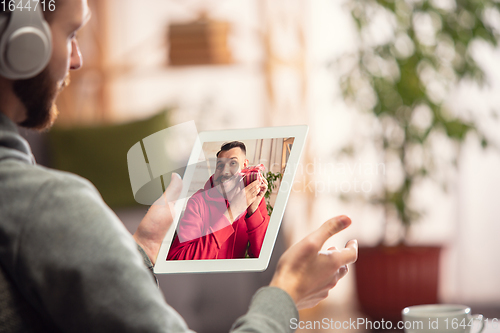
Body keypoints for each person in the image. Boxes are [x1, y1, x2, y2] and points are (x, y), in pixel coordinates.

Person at [0, 1, 358, 332]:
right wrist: (287, 294)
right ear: (22, 41)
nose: (77, 59)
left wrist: (144, 248)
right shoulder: (49, 205)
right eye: (71, 34)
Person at [167, 141, 270, 260]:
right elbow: (176, 259)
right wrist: (232, 213)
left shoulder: (255, 200)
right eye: (220, 165)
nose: (225, 171)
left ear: (245, 165)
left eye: (233, 163)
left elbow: (263, 258)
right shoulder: (198, 202)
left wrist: (253, 212)